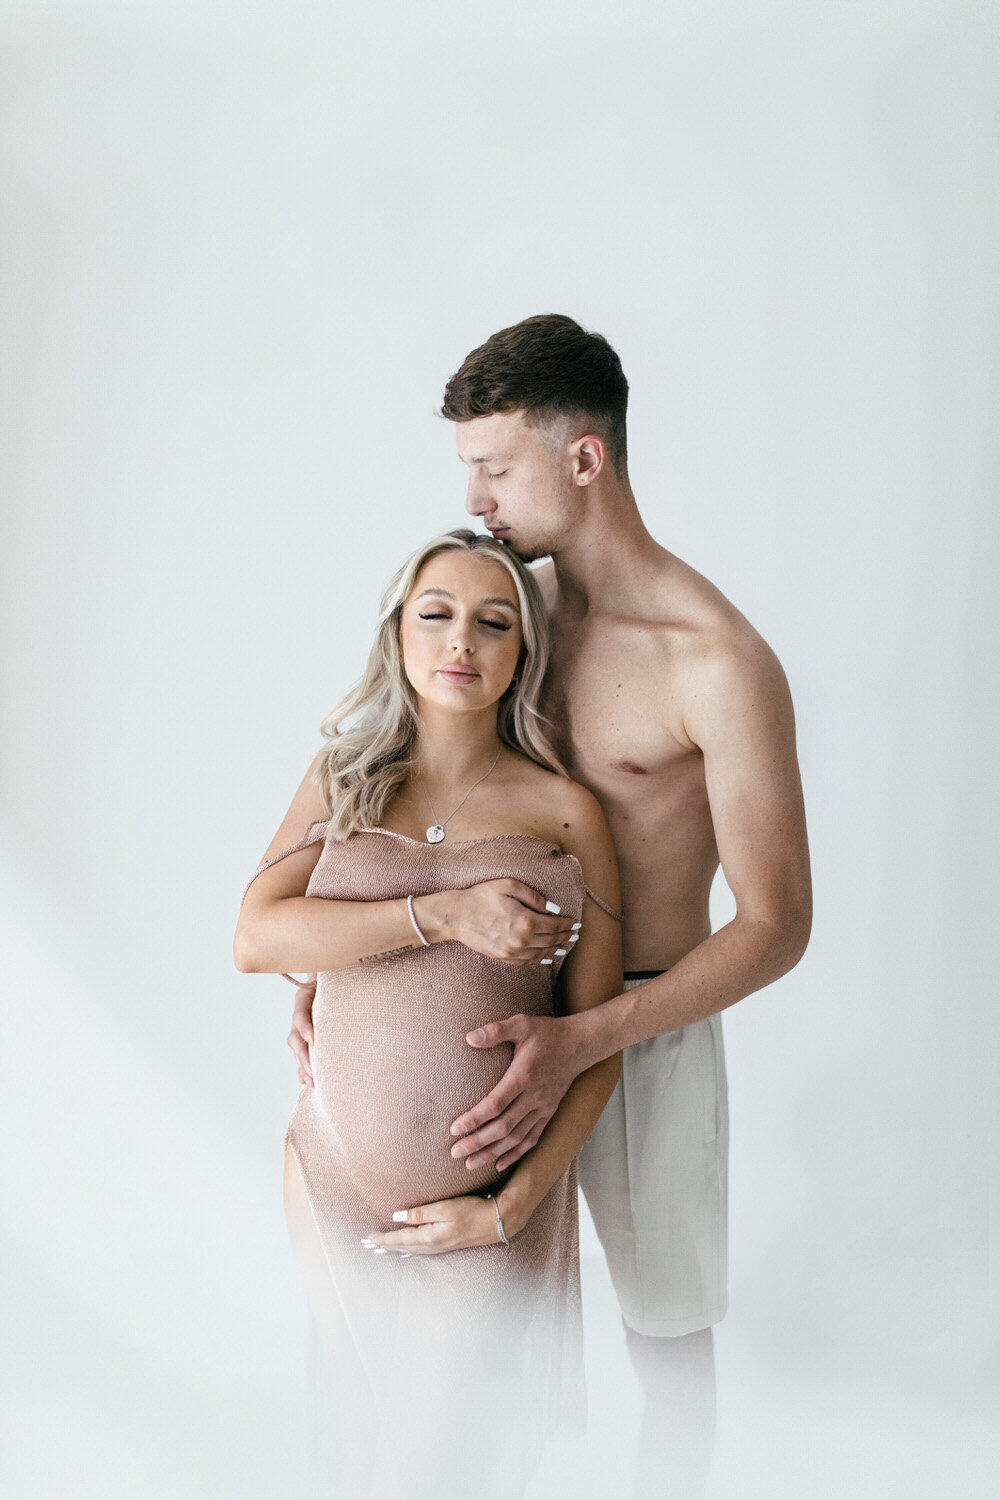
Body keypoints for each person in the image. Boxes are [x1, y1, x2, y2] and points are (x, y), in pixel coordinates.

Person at [288, 314, 813, 1496]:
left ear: (583, 459)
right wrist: (332, 978)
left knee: (665, 1343)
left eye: (493, 464)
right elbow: (393, 796)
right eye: (464, 467)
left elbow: (778, 921)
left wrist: (588, 1037)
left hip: (640, 1023)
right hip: (467, 1021)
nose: (472, 493)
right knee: (465, 1356)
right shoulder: (492, 611)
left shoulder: (715, 661)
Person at [235, 529, 622, 1497]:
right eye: (436, 615)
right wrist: (439, 915)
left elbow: (599, 1036)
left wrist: (511, 1209)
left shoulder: (565, 809)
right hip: (330, 1165)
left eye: (494, 623)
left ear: (522, 652)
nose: (463, 643)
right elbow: (256, 939)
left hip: (482, 1200)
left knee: (438, 1474)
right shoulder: (345, 777)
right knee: (351, 1452)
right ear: (397, 634)